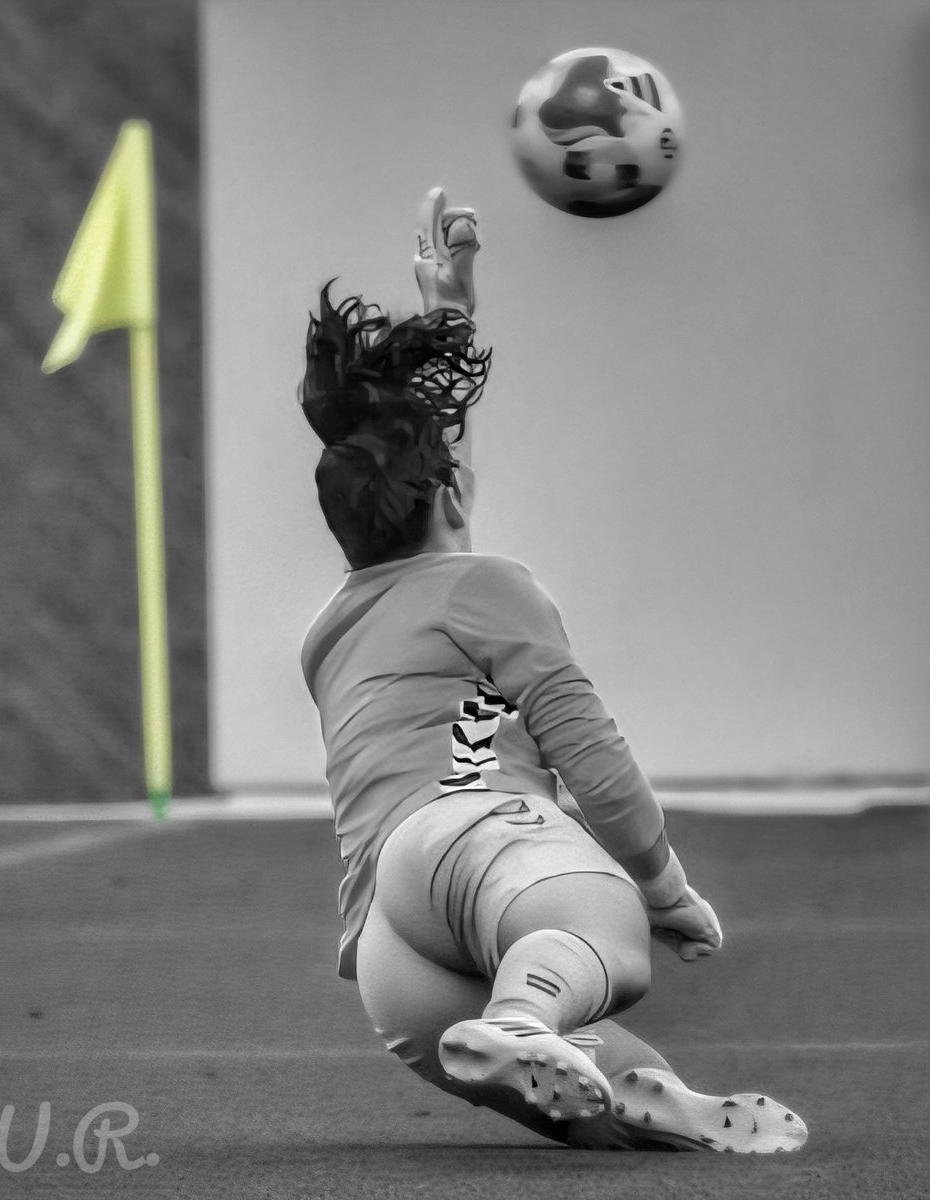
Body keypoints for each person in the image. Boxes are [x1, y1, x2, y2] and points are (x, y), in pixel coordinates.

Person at [298, 188, 807, 1152]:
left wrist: (452, 318)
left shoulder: (336, 626)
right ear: (450, 489)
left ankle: (653, 1096)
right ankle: (525, 1017)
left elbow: (421, 489)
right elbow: (587, 745)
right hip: (473, 829)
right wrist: (660, 888)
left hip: (390, 956)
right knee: (600, 927)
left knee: (592, 1076)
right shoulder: (488, 587)